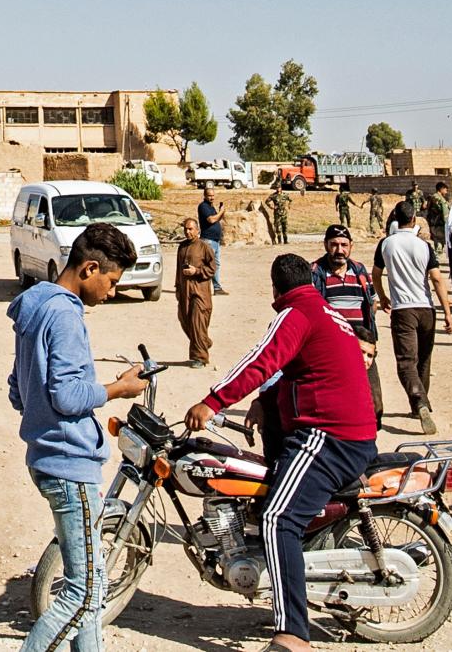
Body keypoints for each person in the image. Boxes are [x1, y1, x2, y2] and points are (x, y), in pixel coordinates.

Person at [184, 253, 379, 651]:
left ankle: (293, 635)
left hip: (328, 437)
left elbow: (262, 360)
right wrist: (265, 403)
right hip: (339, 432)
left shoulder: (297, 312)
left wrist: (213, 401)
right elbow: (300, 371)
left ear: (275, 288)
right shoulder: (325, 311)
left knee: (278, 517)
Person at [10, 224, 147, 652]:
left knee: (91, 582)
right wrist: (117, 389)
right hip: (70, 465)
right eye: (111, 281)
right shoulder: (65, 314)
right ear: (89, 268)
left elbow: (18, 388)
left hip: (47, 456)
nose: (110, 292)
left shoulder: (35, 308)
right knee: (84, 592)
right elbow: (68, 396)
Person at [373, 215, 452, 434]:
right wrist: (447, 313)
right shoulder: (424, 245)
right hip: (427, 309)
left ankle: (418, 400)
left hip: (403, 310)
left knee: (406, 360)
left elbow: (376, 274)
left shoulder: (386, 243)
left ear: (397, 221)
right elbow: (436, 279)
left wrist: (382, 296)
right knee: (424, 359)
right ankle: (420, 405)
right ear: (414, 220)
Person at [311, 226, 385, 424]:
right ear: (326, 245)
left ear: (351, 246)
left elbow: (372, 303)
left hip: (362, 347)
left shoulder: (359, 270)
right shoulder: (316, 273)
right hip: (332, 350)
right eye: (334, 244)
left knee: (374, 402)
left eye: (344, 245)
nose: (339, 250)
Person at [176, 215, 215, 367]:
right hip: (185, 291)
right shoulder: (182, 247)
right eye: (185, 229)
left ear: (197, 230)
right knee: (185, 320)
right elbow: (178, 270)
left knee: (197, 322)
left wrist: (197, 271)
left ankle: (200, 357)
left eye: (190, 229)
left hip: (200, 292)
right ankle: (204, 341)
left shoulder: (204, 247)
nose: (187, 232)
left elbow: (212, 268)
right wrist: (178, 287)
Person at [197, 187, 226, 295]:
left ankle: (217, 287)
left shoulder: (211, 207)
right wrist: (221, 212)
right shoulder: (203, 207)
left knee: (216, 265)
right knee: (207, 264)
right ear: (205, 196)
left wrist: (221, 211)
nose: (212, 197)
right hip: (208, 240)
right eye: (209, 195)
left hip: (215, 240)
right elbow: (211, 219)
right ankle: (203, 287)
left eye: (213, 195)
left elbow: (218, 218)